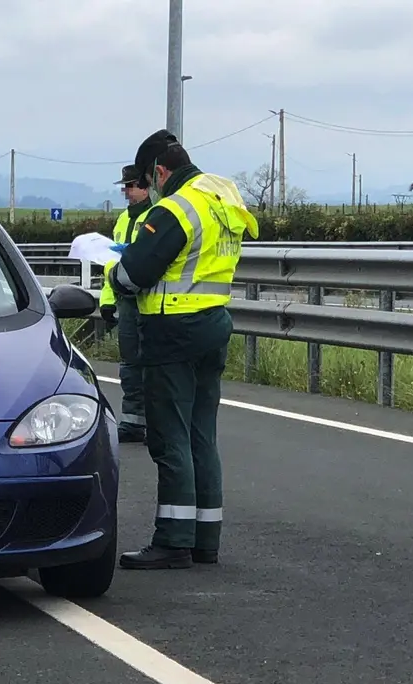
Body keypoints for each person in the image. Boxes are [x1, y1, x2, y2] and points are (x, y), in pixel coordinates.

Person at [107, 130, 259, 570]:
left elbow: (135, 272)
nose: (149, 189)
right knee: (200, 435)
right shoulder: (220, 199)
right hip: (214, 323)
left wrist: (115, 274)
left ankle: (173, 541)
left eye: (147, 180)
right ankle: (204, 540)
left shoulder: (175, 208)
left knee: (170, 437)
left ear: (159, 172)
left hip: (172, 328)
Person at [100, 164, 153, 443]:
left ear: (145, 187)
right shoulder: (123, 220)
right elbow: (112, 263)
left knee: (153, 364)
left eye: (130, 186)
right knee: (130, 363)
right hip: (127, 302)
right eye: (125, 187)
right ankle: (133, 422)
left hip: (152, 301)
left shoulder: (158, 216)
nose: (126, 192)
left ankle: (155, 425)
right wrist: (107, 301)